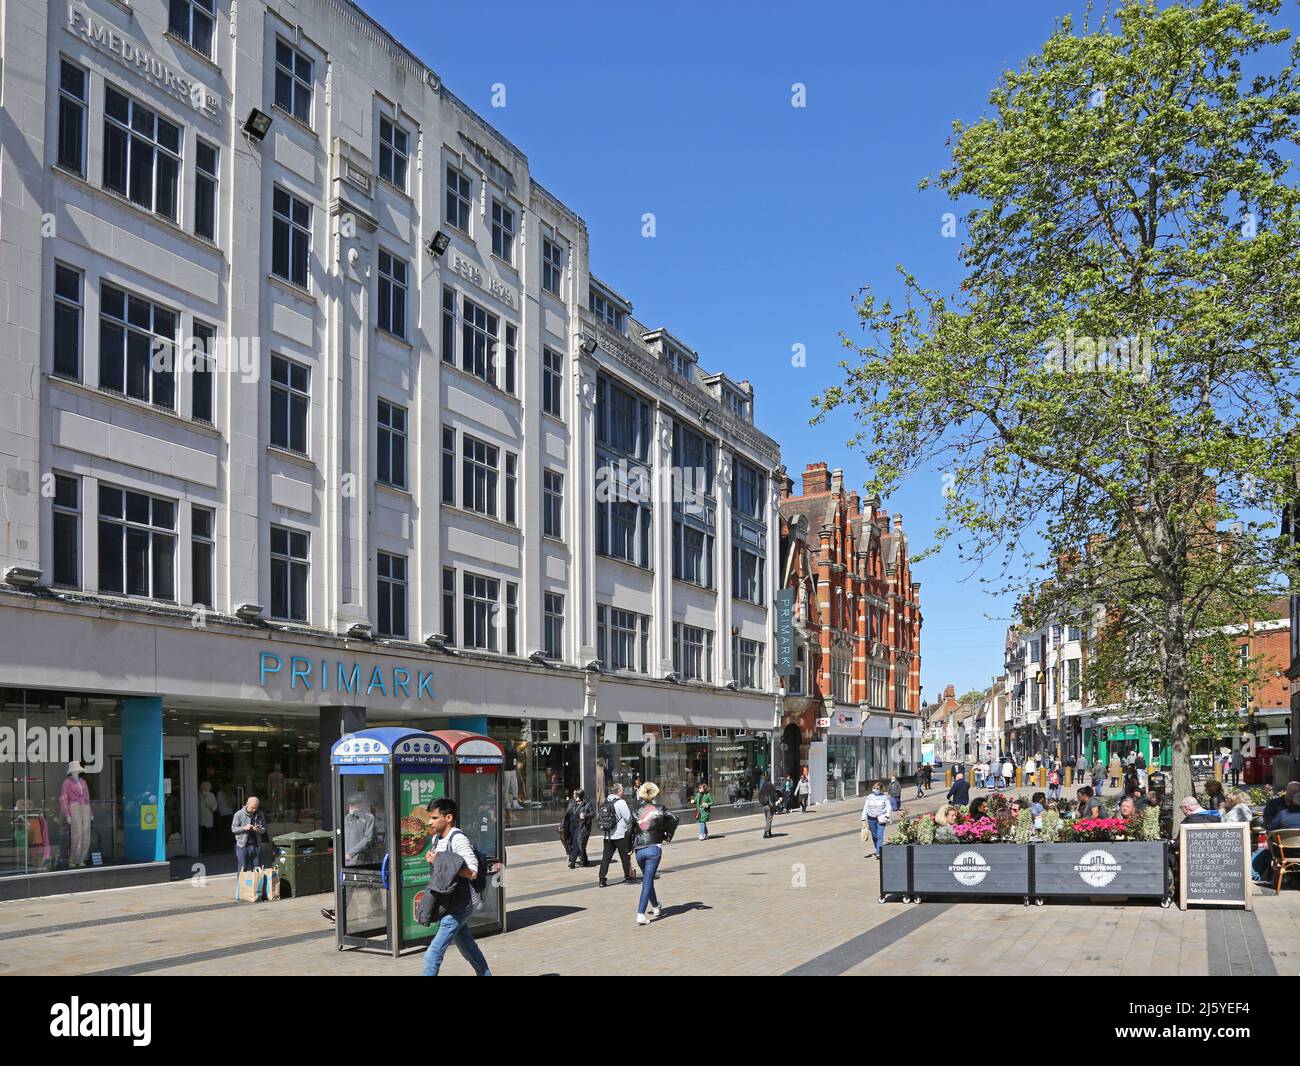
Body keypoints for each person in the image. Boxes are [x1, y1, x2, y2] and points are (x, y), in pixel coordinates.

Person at [421, 798, 491, 976]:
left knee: (432, 954)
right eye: (431, 818)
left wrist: (439, 860)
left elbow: (473, 871)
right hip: (449, 902)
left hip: (460, 905)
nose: (430, 821)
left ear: (449, 817)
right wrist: (435, 859)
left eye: (435, 818)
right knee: (468, 948)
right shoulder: (437, 838)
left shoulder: (458, 839)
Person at [630, 783, 678, 925]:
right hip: (653, 849)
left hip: (639, 848)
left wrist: (628, 850)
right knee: (647, 881)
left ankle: (656, 906)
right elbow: (674, 818)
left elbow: (629, 830)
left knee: (647, 879)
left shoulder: (635, 809)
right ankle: (640, 914)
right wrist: (666, 834)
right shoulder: (660, 809)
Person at [598, 783, 636, 887]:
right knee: (624, 857)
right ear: (619, 791)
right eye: (622, 790)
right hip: (619, 835)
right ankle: (627, 877)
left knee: (606, 858)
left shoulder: (605, 801)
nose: (623, 791)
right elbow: (628, 817)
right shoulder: (621, 802)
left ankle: (602, 880)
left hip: (607, 835)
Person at [231, 796, 266, 873]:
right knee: (242, 869)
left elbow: (263, 829)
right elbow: (233, 829)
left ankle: (257, 885)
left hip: (256, 844)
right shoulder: (238, 814)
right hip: (242, 845)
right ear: (247, 804)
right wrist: (244, 828)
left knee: (257, 869)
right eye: (252, 808)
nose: (254, 810)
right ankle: (241, 885)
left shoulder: (260, 814)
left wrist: (258, 829)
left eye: (256, 808)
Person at [563, 789, 594, 868]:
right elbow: (567, 815)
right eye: (574, 794)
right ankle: (585, 860)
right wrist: (562, 824)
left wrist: (585, 815)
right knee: (576, 844)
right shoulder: (572, 803)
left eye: (576, 794)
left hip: (581, 826)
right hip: (571, 826)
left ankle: (573, 862)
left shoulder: (587, 804)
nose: (574, 796)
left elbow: (592, 814)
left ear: (580, 795)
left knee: (576, 843)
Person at [343, 793, 376, 865]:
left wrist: (351, 853)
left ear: (360, 805)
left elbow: (368, 838)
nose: (350, 806)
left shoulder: (368, 818)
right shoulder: (346, 818)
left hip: (360, 861)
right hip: (345, 861)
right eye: (350, 804)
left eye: (353, 804)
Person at [861, 782, 891, 859]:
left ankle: (878, 852)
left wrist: (887, 816)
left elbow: (888, 807)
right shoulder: (869, 797)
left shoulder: (884, 797)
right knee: (874, 836)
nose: (875, 789)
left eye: (877, 788)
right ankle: (877, 848)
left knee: (879, 835)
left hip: (881, 818)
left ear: (880, 789)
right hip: (871, 818)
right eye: (874, 788)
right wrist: (863, 818)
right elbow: (866, 808)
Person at [198, 781, 218, 853]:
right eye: (205, 785)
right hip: (200, 816)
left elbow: (215, 806)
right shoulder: (198, 794)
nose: (207, 787)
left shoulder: (211, 795)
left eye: (208, 786)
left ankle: (210, 849)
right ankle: (201, 849)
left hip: (208, 816)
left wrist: (211, 807)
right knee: (201, 834)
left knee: (209, 833)